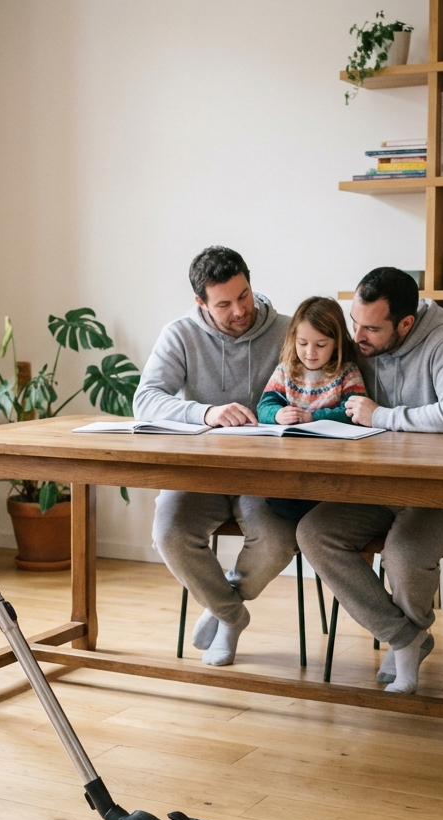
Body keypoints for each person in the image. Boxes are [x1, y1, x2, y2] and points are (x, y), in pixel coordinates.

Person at [295, 267, 443, 694]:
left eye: (371, 328)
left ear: (405, 323)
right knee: (313, 532)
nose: (358, 337)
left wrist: (381, 416)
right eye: (355, 322)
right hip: (381, 489)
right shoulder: (361, 342)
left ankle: (405, 647)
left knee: (402, 553)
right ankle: (405, 638)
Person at [133, 246, 297, 666]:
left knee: (278, 541)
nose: (240, 310)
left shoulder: (287, 331)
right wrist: (205, 413)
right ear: (201, 303)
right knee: (169, 534)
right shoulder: (180, 334)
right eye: (224, 304)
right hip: (200, 472)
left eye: (244, 296)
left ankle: (221, 607)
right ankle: (231, 615)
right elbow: (145, 400)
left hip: (265, 474)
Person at [256, 295, 366, 522]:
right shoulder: (286, 370)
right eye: (302, 343)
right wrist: (277, 414)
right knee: (281, 501)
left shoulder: (347, 372)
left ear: (336, 342)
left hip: (332, 466)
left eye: (321, 345)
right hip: (291, 465)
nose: (310, 352)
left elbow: (353, 412)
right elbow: (264, 406)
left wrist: (313, 418)